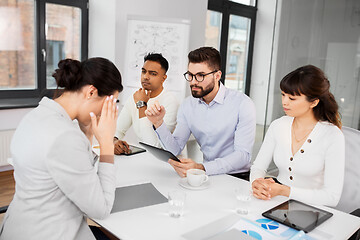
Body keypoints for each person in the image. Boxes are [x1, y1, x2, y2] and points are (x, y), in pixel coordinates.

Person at [0, 58, 123, 240]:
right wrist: (106, 143)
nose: (108, 111)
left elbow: (76, 171)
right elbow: (101, 209)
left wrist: (87, 132)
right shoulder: (64, 136)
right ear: (91, 92)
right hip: (48, 232)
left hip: (20, 223)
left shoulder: (37, 116)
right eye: (111, 103)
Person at [145, 47, 256, 178]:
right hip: (207, 175)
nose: (193, 82)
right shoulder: (187, 105)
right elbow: (175, 149)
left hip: (237, 176)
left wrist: (202, 167)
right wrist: (158, 123)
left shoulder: (243, 104)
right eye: (190, 75)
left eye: (200, 76)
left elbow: (243, 156)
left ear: (217, 76)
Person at [250, 65, 345, 207]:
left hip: (312, 209)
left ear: (313, 102)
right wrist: (257, 182)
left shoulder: (332, 135)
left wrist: (285, 191)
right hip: (276, 203)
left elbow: (332, 197)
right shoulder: (278, 125)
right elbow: (258, 167)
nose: (284, 102)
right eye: (283, 95)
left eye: (292, 98)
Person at [114, 53, 179, 154]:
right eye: (144, 72)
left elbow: (154, 146)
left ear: (163, 78)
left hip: (166, 162)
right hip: (143, 157)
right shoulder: (135, 97)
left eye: (153, 74)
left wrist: (141, 105)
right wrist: (114, 141)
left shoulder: (170, 102)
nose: (146, 77)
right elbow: (118, 130)